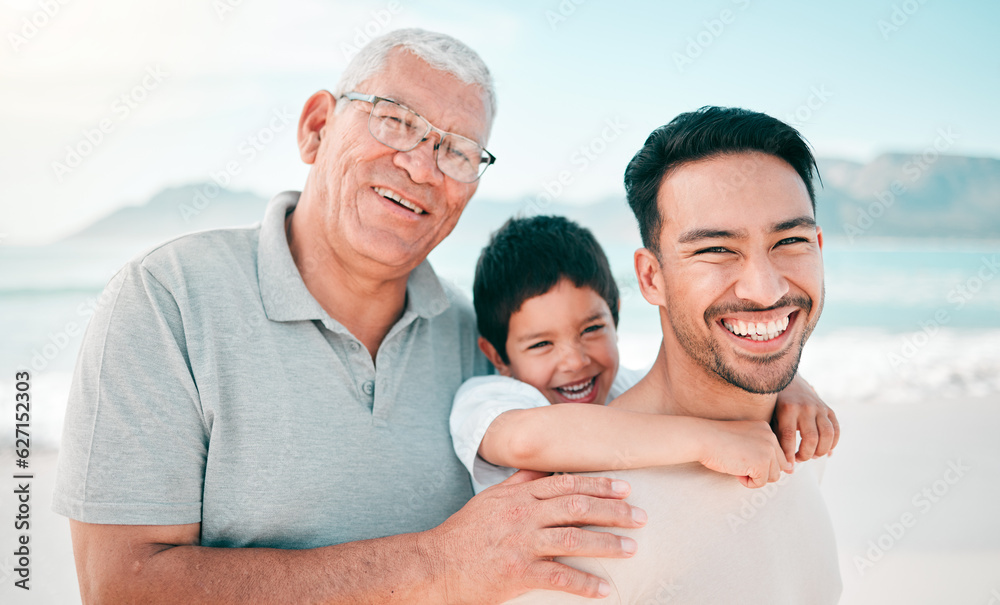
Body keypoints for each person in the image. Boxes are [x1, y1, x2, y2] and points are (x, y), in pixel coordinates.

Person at [52, 29, 650, 604]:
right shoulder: (165, 299)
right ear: (316, 128)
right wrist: (437, 565)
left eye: (459, 151)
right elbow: (123, 589)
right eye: (396, 120)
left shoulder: (487, 341)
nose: (422, 167)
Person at [507, 106, 843, 603]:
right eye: (716, 250)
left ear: (818, 246)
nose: (764, 289)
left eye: (789, 241)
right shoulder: (589, 521)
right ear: (651, 278)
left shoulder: (803, 439)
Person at [450, 215, 838, 495]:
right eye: (541, 345)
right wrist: (708, 439)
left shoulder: (628, 386)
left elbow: (698, 378)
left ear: (615, 315)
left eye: (592, 329)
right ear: (497, 355)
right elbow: (528, 440)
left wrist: (790, 385)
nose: (574, 360)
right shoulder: (489, 397)